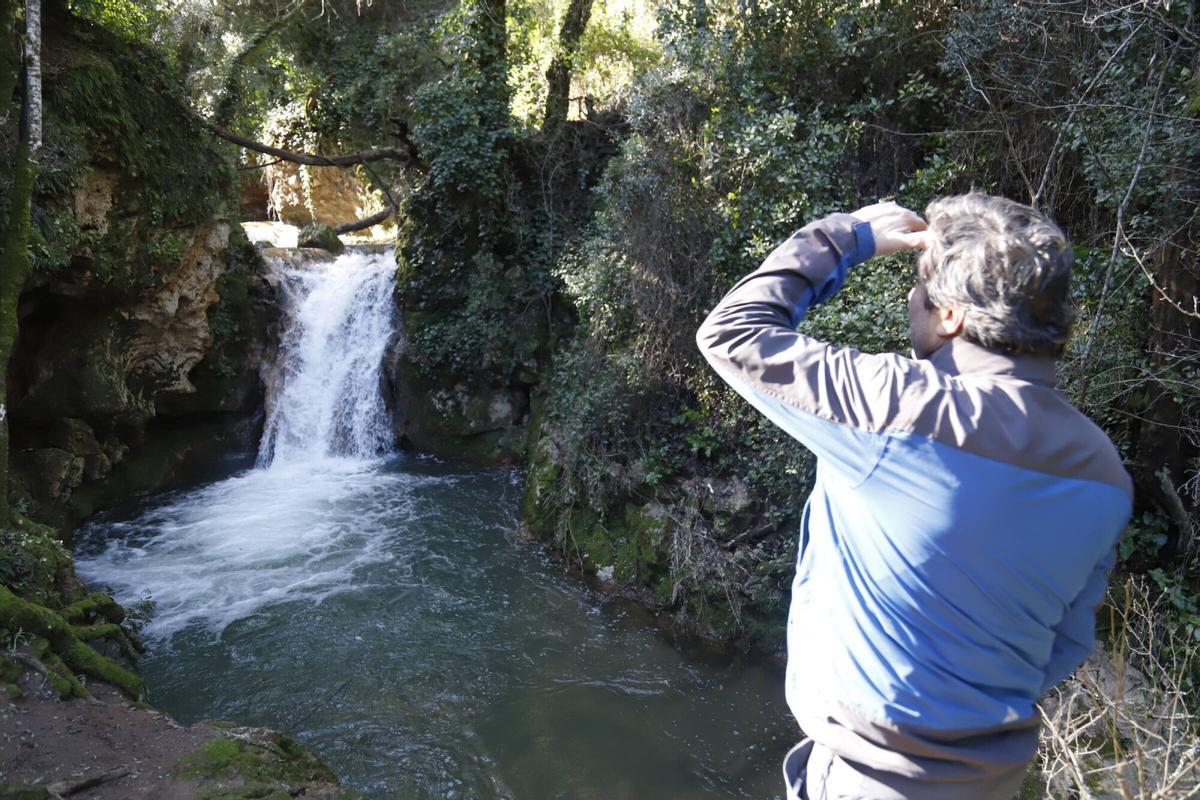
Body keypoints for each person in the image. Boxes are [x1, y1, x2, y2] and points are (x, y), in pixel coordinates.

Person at [695, 194, 1132, 799]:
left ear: (951, 315)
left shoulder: (903, 407)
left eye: (919, 287)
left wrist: (845, 237)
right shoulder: (1104, 469)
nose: (909, 301)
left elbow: (731, 331)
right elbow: (1064, 643)